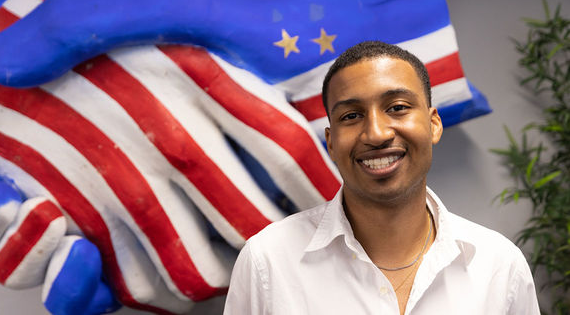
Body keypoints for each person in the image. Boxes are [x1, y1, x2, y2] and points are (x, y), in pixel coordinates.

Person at [223, 41, 540, 315]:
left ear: (434, 125)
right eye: (351, 116)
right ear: (331, 142)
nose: (376, 134)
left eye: (398, 107)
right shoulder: (268, 261)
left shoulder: (498, 264)